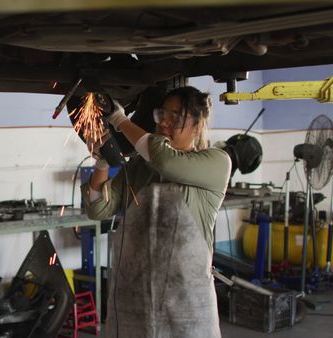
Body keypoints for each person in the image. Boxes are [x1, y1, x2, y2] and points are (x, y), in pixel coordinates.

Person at [82, 86, 231, 338]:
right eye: (162, 114)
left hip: (186, 308)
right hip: (132, 303)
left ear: (197, 125)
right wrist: (102, 162)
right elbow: (99, 208)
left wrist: (119, 120)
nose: (164, 122)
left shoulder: (216, 162)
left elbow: (166, 161)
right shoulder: (142, 166)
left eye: (176, 117)